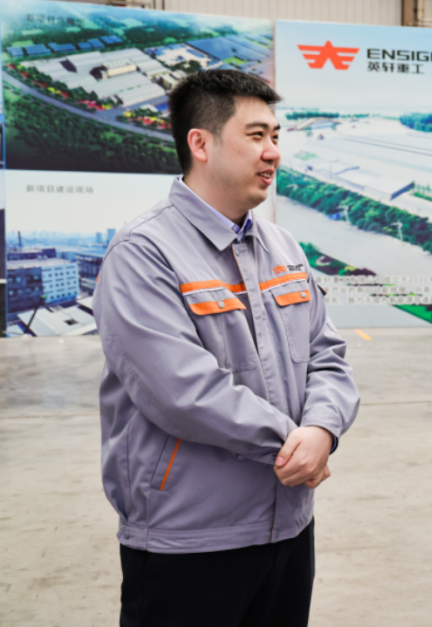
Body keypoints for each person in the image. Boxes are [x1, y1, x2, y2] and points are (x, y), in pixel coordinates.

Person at [96, 69, 360, 627]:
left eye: (276, 136)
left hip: (288, 527)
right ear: (201, 143)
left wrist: (322, 429)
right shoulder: (144, 252)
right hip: (190, 540)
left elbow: (327, 355)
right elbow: (180, 391)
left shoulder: (284, 247)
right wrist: (293, 445)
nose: (274, 152)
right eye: (257, 135)